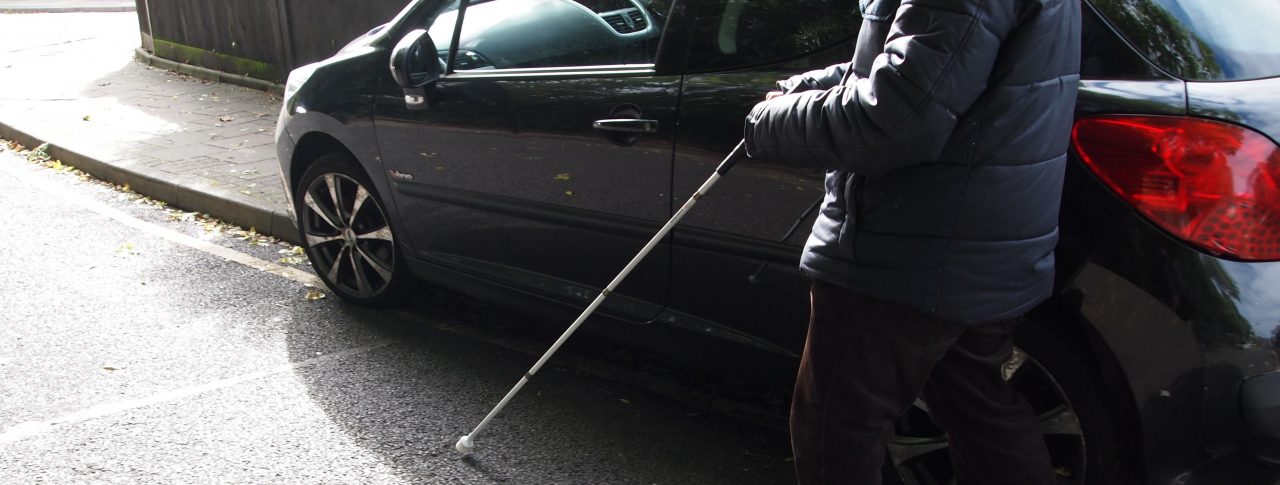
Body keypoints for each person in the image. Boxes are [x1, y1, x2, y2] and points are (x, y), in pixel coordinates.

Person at [742, 0, 1081, 483]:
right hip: (979, 246)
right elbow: (926, 65)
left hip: (907, 250)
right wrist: (804, 88)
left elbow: (896, 117)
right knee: (977, 411)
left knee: (835, 423)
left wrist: (765, 123)